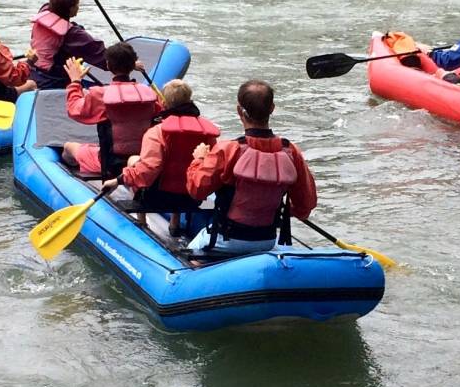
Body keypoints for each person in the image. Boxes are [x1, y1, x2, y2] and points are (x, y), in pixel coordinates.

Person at [182, 79, 317, 258]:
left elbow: (196, 190)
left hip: (225, 241)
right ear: (272, 108)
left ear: (239, 110)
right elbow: (305, 206)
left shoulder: (228, 149)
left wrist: (199, 159)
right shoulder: (291, 151)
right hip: (267, 240)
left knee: (189, 252)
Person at [121, 80, 221, 237]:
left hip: (156, 196)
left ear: (163, 103)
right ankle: (174, 222)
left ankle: (142, 220)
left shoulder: (156, 132)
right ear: (190, 100)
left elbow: (148, 171)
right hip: (189, 198)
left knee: (135, 160)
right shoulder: (207, 133)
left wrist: (121, 178)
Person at [60, 41, 160, 179]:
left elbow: (74, 109)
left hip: (110, 164)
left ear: (108, 65)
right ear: (133, 66)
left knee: (69, 147)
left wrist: (75, 82)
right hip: (143, 159)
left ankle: (66, 175)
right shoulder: (149, 94)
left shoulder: (101, 94)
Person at [28, 0, 109, 90]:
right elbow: (101, 55)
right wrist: (130, 63)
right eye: (77, 4)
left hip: (33, 72)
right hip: (53, 81)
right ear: (71, 9)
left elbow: (58, 2)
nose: (78, 7)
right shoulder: (72, 34)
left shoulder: (44, 10)